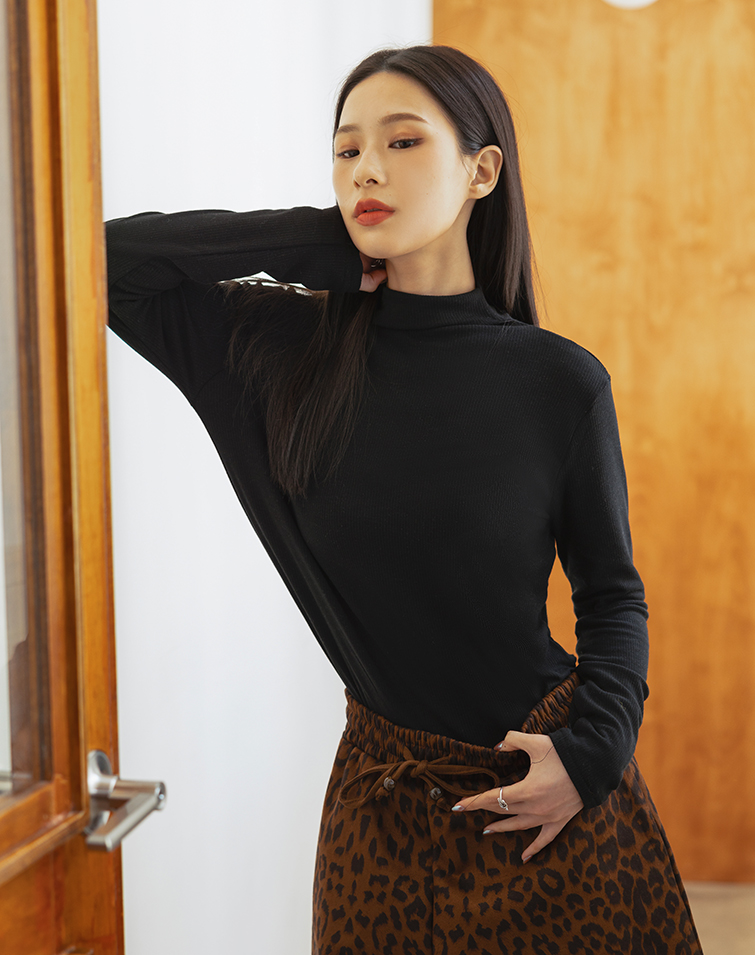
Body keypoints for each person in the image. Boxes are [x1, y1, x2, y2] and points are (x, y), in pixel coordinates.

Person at [105, 44, 702, 955]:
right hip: (379, 809)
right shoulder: (273, 352)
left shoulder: (558, 382)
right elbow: (102, 260)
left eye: (402, 141)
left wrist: (592, 755)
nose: (367, 170)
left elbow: (612, 595)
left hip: (544, 793)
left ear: (481, 171)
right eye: (346, 150)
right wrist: (320, 244)